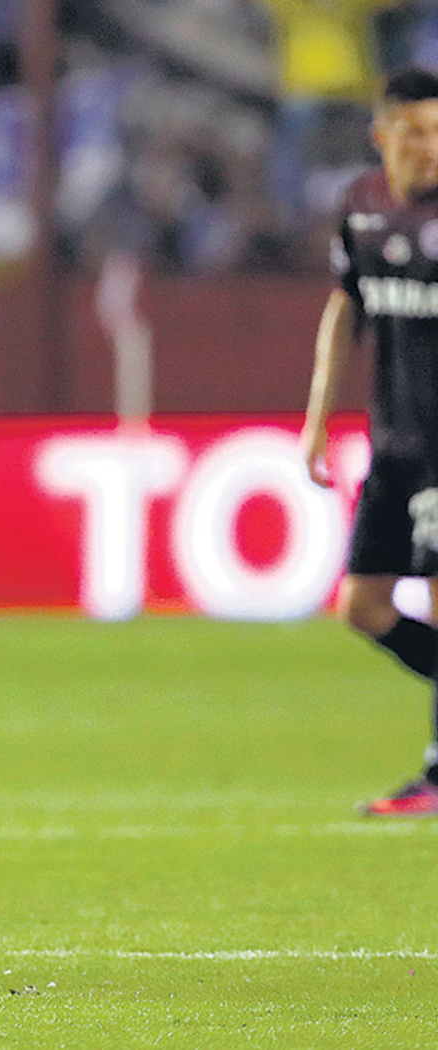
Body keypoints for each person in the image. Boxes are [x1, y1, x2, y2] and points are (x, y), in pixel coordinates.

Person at [301, 65, 438, 816]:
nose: (431, 148)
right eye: (416, 133)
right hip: (394, 445)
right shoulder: (360, 206)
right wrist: (319, 417)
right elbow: (345, 311)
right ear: (382, 136)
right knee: (361, 606)